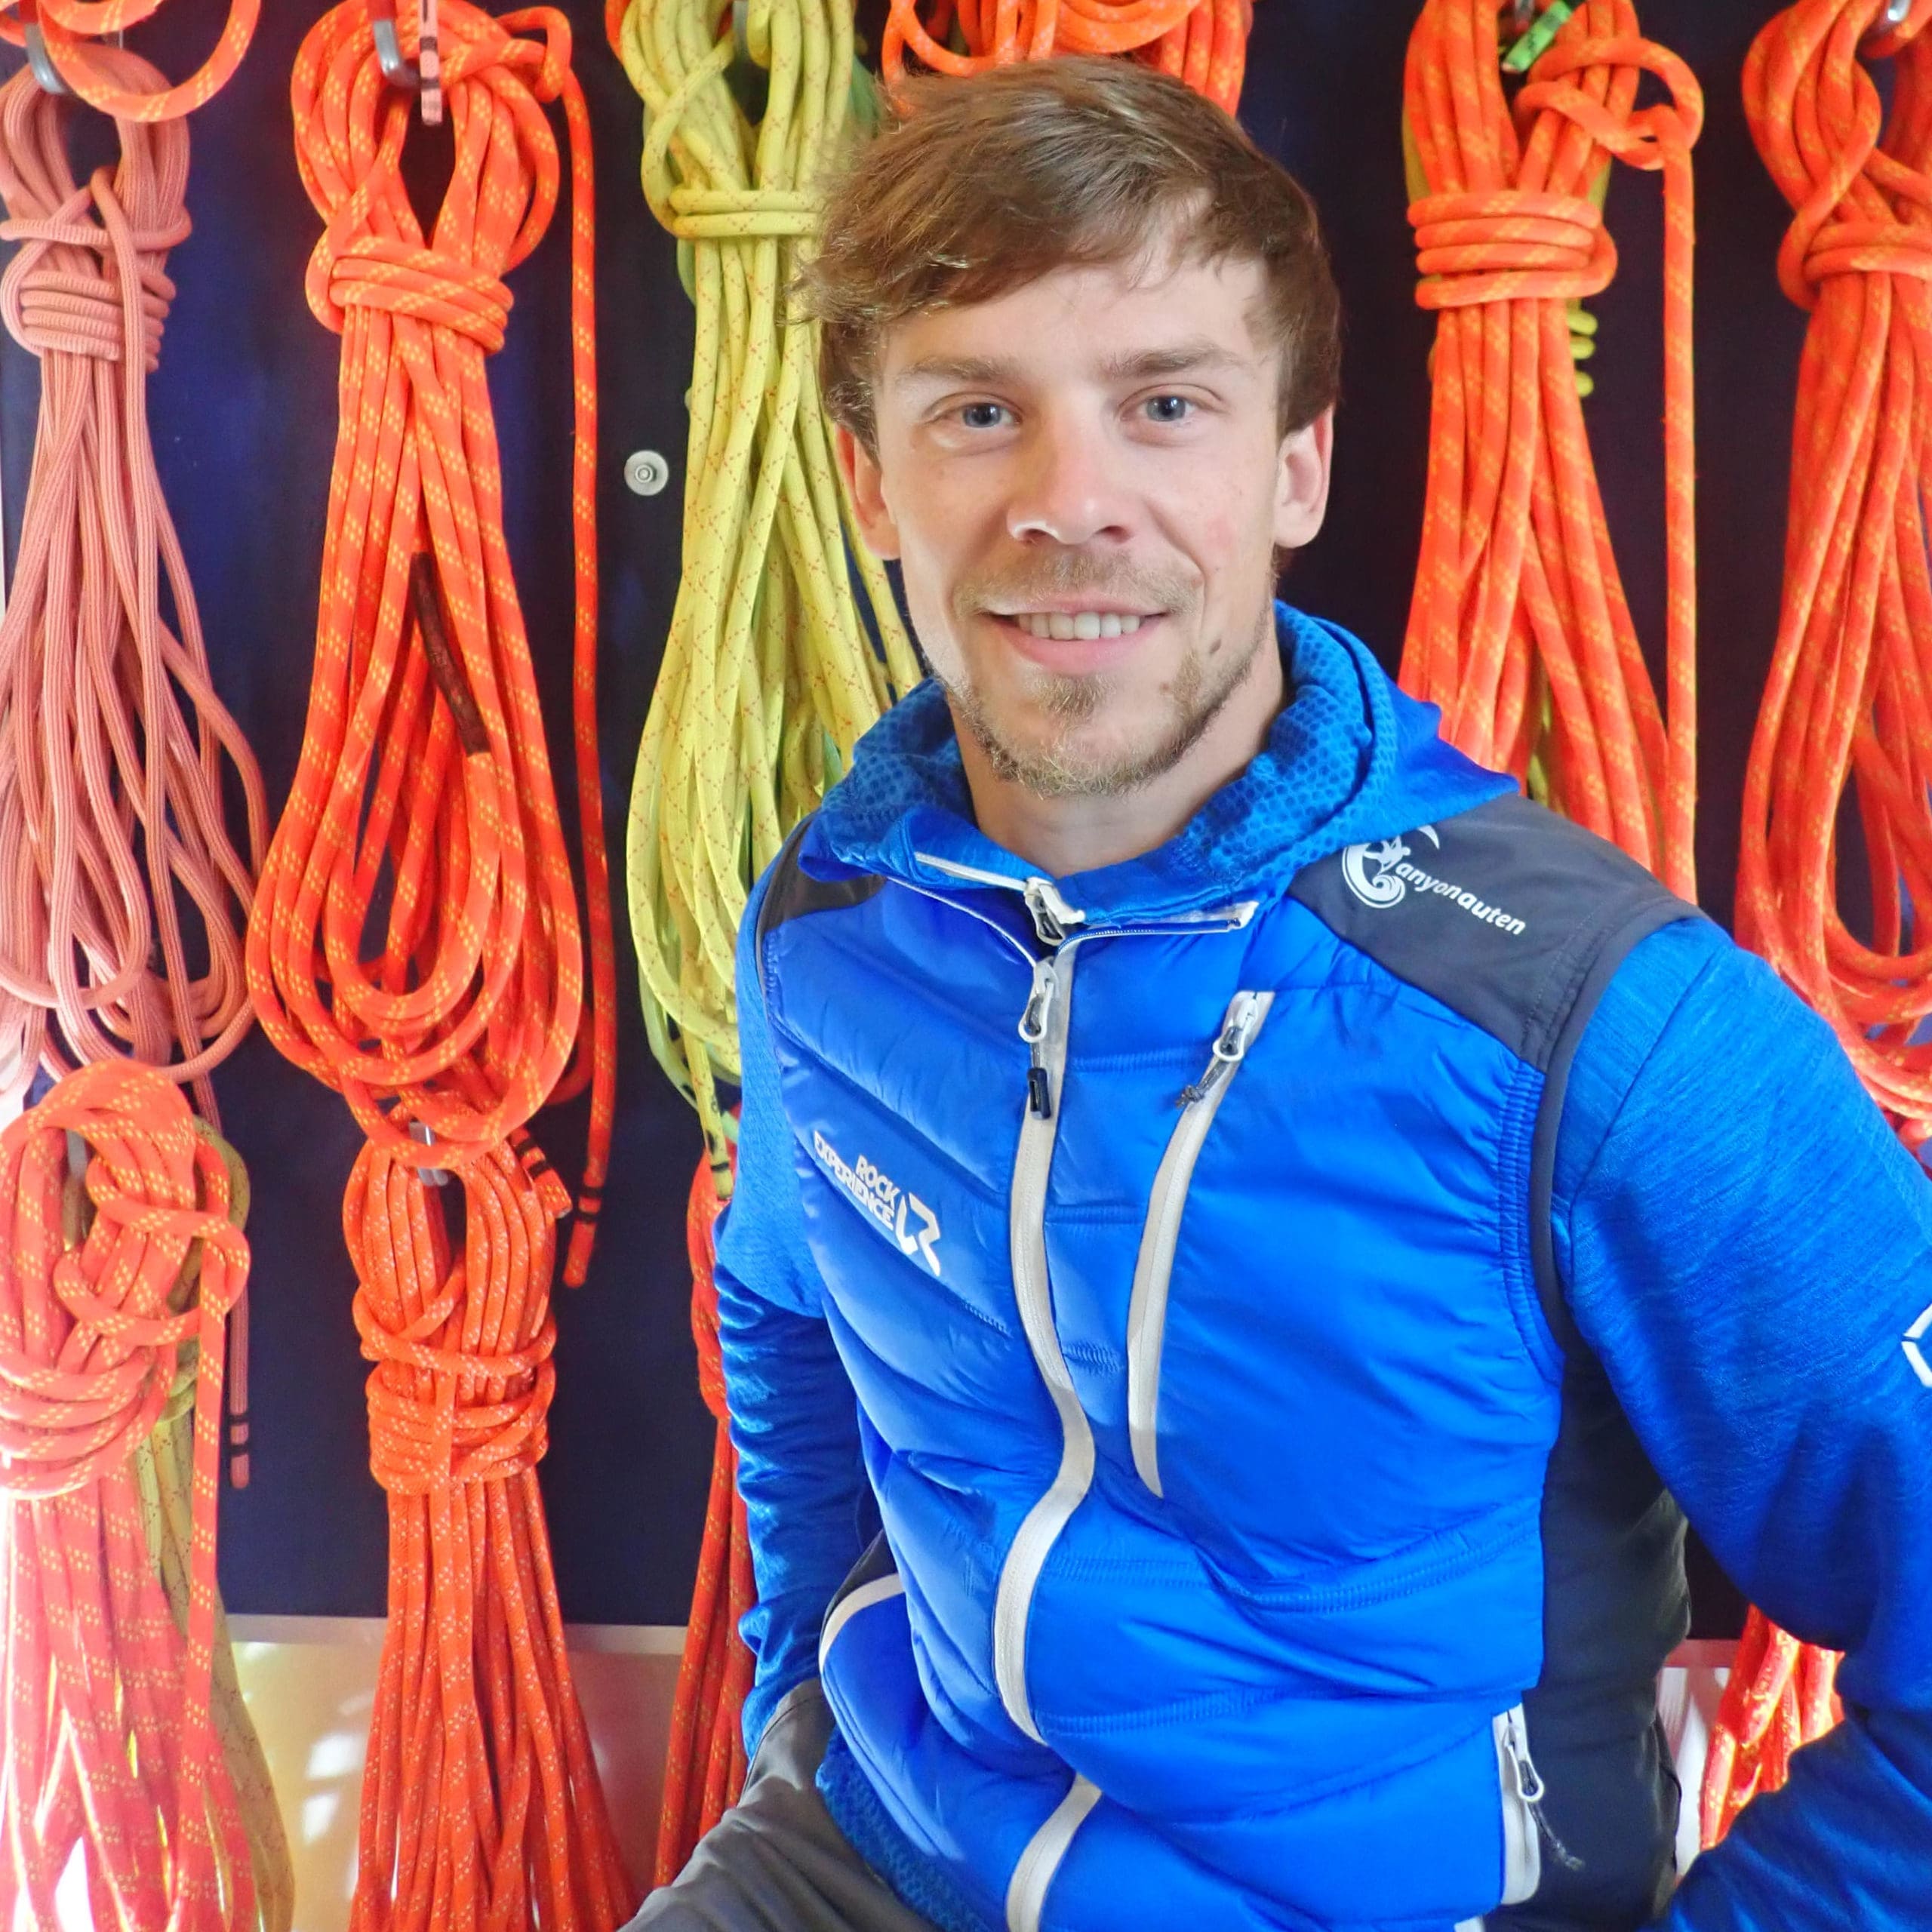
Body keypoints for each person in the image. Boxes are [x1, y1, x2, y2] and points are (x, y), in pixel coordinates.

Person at [630, 56, 1932, 1932]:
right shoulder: (829, 919)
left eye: (1163, 404)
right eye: (977, 411)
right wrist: (795, 1708)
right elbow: (781, 1301)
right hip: (867, 1857)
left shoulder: (1587, 1029)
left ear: (1294, 465)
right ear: (868, 481)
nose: (1070, 502)